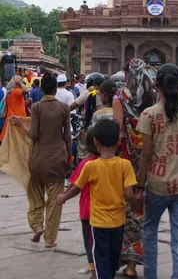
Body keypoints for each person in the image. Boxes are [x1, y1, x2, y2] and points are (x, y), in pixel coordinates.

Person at [57, 119, 138, 279]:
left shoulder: (90, 166)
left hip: (99, 223)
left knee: (101, 260)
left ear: (95, 141)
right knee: (113, 259)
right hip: (118, 222)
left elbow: (77, 188)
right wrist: (136, 204)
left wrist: (64, 197)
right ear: (118, 141)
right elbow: (129, 194)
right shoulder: (125, 165)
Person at [137, 63, 178, 279]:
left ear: (156, 85)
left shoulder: (149, 115)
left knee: (149, 231)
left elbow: (146, 155)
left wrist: (139, 185)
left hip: (156, 185)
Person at [10, 71, 72, 246]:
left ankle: (37, 226)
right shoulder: (63, 108)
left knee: (35, 197)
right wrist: (69, 158)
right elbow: (67, 137)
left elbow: (34, 134)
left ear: (42, 89)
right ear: (55, 88)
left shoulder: (36, 107)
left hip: (37, 159)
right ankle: (50, 239)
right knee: (54, 202)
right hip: (58, 158)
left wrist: (22, 124)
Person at [113, 58, 157, 278]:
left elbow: (118, 132)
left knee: (121, 209)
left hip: (124, 161)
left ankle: (115, 259)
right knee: (141, 213)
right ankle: (133, 264)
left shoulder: (120, 98)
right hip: (148, 164)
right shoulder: (152, 97)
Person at [65, 128, 99, 278]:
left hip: (88, 212)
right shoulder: (119, 163)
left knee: (89, 243)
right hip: (110, 213)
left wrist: (63, 197)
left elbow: (74, 186)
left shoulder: (85, 164)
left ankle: (94, 272)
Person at [0, 76, 29, 143]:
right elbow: (26, 90)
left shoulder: (9, 93)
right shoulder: (16, 91)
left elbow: (17, 105)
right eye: (20, 81)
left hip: (11, 118)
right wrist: (21, 84)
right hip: (18, 120)